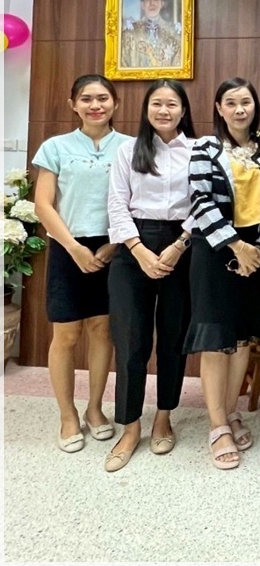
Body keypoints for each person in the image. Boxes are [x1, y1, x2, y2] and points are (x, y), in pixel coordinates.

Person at [32, 74, 131, 453]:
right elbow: (43, 203)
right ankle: (67, 415)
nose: (96, 105)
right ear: (73, 104)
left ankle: (94, 409)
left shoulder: (128, 146)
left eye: (103, 98)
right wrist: (73, 247)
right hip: (66, 245)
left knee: (102, 330)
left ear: (115, 103)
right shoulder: (55, 147)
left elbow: (134, 200)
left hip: (115, 247)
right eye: (87, 98)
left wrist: (111, 245)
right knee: (66, 335)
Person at [103, 80, 196, 472]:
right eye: (156, 103)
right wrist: (139, 250)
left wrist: (178, 245)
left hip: (183, 247)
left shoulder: (198, 150)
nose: (164, 110)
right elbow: (117, 204)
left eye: (171, 103)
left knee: (173, 339)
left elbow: (207, 202)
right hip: (132, 248)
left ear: (183, 109)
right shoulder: (128, 150)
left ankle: (164, 416)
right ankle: (129, 426)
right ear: (146, 109)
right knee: (130, 340)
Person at [184, 77, 260, 470]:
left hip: (259, 251)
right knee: (217, 338)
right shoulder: (205, 147)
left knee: (243, 338)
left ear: (255, 106)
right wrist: (236, 245)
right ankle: (217, 424)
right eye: (231, 102)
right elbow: (200, 201)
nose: (239, 109)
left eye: (245, 102)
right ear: (219, 108)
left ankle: (232, 410)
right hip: (219, 251)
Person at [120, 0, 182, 69]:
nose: (152, 3)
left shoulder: (173, 32)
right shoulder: (130, 33)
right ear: (142, 5)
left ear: (162, 4)